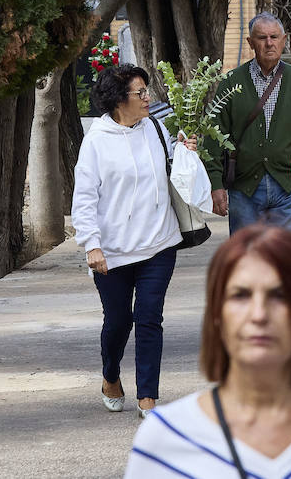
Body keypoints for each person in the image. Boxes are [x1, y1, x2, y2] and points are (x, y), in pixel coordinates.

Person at [124, 225, 291, 478]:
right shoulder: (165, 438)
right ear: (217, 315)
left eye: (279, 296)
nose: (259, 314)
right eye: (240, 295)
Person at [73, 64, 194, 418]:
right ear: (117, 99)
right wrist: (91, 244)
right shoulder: (96, 139)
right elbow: (84, 198)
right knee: (117, 322)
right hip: (112, 251)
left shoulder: (156, 126)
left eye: (146, 91)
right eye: (139, 93)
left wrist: (187, 149)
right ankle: (110, 374)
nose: (147, 98)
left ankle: (148, 397)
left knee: (149, 317)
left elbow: (180, 162)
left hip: (159, 242)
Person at [203, 13, 291, 243]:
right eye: (262, 37)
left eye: (274, 37)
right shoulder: (231, 82)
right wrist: (215, 184)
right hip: (244, 187)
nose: (269, 43)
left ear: (284, 40)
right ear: (250, 42)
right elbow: (214, 135)